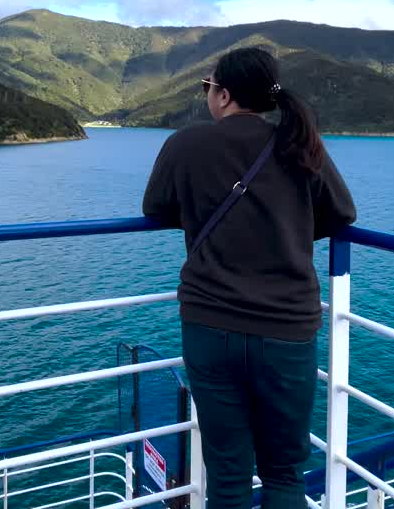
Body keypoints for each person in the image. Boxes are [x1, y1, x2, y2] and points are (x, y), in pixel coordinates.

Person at [141, 46, 357, 509]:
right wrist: (286, 227)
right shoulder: (299, 143)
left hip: (209, 325)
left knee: (227, 476)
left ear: (223, 94)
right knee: (284, 474)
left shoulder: (185, 144)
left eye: (208, 87)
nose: (208, 95)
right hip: (287, 329)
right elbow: (341, 213)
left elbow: (155, 208)